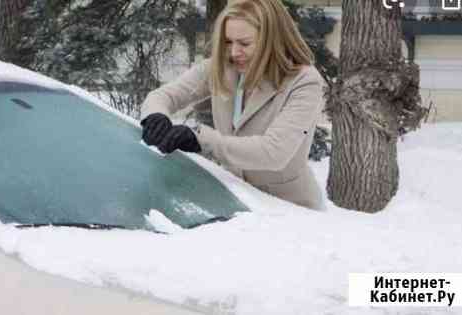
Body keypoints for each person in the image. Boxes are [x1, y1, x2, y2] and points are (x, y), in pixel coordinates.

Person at [139, 0, 325, 210]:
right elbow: (165, 96)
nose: (234, 52)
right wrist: (156, 115)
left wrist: (202, 139)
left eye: (244, 43)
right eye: (228, 42)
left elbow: (274, 153)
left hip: (290, 209)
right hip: (235, 203)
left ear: (272, 40)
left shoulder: (304, 82)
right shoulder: (220, 68)